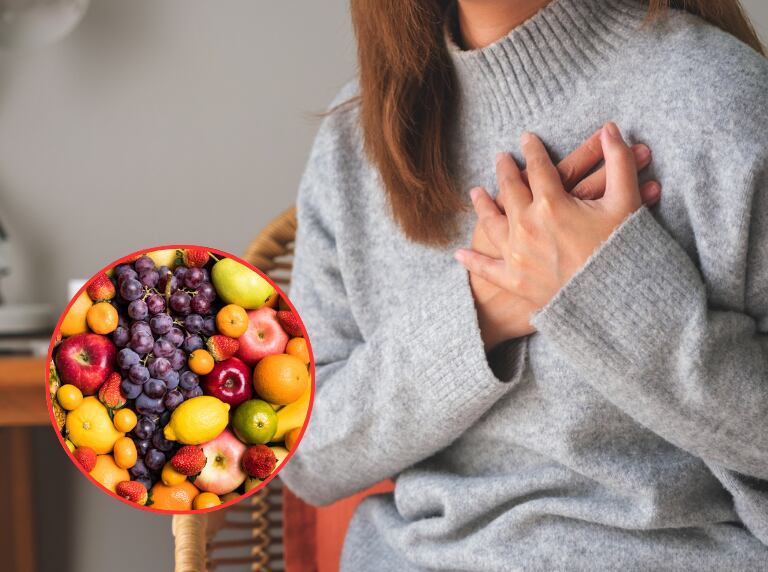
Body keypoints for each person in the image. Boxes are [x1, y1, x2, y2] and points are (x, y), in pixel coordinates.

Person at [279, 0, 768, 569]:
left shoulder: (716, 98)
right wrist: (478, 311)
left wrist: (610, 294)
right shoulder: (356, 138)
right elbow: (301, 452)